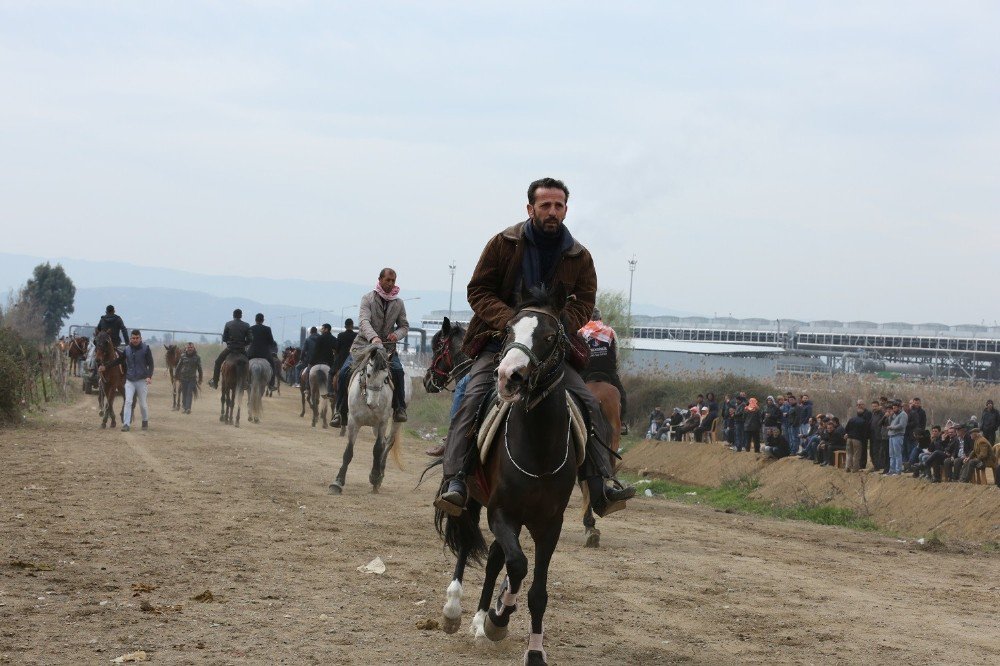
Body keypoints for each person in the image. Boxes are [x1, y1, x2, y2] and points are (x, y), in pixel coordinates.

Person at [434, 177, 634, 518]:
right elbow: (478, 290)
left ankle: (600, 485)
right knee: (471, 394)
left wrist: (552, 327)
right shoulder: (503, 243)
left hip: (549, 346)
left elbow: (584, 302)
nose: (552, 211)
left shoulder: (579, 256)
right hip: (500, 340)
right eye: (545, 205)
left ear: (566, 210)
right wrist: (513, 321)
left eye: (558, 206)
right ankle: (455, 481)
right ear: (531, 209)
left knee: (589, 402)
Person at [331, 268, 409, 426]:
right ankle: (340, 412)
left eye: (393, 281)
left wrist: (396, 335)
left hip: (387, 349)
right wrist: (373, 337)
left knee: (399, 372)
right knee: (345, 372)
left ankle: (399, 408)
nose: (390, 283)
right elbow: (363, 321)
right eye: (387, 280)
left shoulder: (399, 303)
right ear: (380, 279)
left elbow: (404, 326)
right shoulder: (367, 299)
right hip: (363, 345)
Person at [579, 308, 628, 435]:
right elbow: (617, 353)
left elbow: (577, 353)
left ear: (587, 318)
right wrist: (614, 369)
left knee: (572, 393)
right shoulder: (610, 331)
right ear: (600, 318)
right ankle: (622, 423)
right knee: (622, 397)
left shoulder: (581, 331)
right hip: (608, 371)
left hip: (586, 371)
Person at [99, 329, 153, 432]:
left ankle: (145, 420)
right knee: (128, 401)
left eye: (137, 338)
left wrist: (149, 376)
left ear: (140, 338)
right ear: (130, 339)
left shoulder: (146, 349)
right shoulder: (127, 349)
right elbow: (118, 360)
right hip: (130, 380)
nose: (135, 340)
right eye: (133, 338)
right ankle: (126, 424)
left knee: (142, 404)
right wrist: (106, 367)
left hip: (141, 381)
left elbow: (151, 364)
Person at [208, 309, 252, 389]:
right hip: (241, 350)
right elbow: (250, 339)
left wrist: (230, 343)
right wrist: (243, 344)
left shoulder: (228, 324)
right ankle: (246, 382)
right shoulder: (247, 325)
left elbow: (224, 338)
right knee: (248, 363)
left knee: (218, 362)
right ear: (241, 315)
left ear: (233, 315)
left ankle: (215, 382)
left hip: (230, 349)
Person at [91, 305, 129, 383]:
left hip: (102, 346)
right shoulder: (118, 319)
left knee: (96, 358)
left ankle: (94, 373)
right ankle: (125, 374)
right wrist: (127, 343)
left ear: (106, 311)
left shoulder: (102, 319)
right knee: (122, 358)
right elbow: (124, 330)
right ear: (114, 311)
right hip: (114, 344)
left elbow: (98, 330)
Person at [332, 319, 358, 422]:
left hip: (342, 360)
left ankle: (330, 392)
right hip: (355, 360)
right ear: (352, 325)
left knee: (332, 374)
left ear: (345, 326)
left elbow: (337, 349)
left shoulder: (341, 335)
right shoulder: (356, 336)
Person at [247, 313, 279, 390]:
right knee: (273, 365)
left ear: (255, 320)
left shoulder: (251, 328)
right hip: (264, 354)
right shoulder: (267, 329)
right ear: (263, 320)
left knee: (244, 364)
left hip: (252, 353)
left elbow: (248, 341)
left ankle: (245, 381)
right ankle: (271, 384)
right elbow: (271, 342)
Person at [174, 342, 203, 414]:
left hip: (192, 378)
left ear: (194, 348)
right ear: (186, 348)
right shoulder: (182, 356)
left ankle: (188, 408)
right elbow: (178, 367)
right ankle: (184, 407)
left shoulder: (197, 357)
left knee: (189, 393)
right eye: (188, 347)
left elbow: (200, 369)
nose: (190, 349)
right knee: (184, 393)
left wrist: (200, 379)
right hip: (183, 378)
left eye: (191, 347)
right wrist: (176, 376)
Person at [311, 323, 338, 395]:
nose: (321, 330)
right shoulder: (333, 339)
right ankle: (331, 391)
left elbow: (315, 351)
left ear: (326, 329)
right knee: (335, 376)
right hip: (329, 363)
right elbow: (336, 350)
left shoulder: (319, 338)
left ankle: (307, 388)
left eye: (322, 329)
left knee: (308, 371)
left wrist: (311, 362)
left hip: (317, 362)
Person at [886, 399, 908, 476]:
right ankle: (891, 470)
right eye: (893, 408)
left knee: (897, 454)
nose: (894, 409)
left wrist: (892, 427)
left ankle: (898, 471)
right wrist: (890, 416)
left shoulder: (903, 414)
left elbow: (902, 425)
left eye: (895, 408)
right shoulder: (894, 414)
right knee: (891, 454)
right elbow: (890, 422)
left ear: (899, 407)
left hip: (898, 436)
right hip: (891, 436)